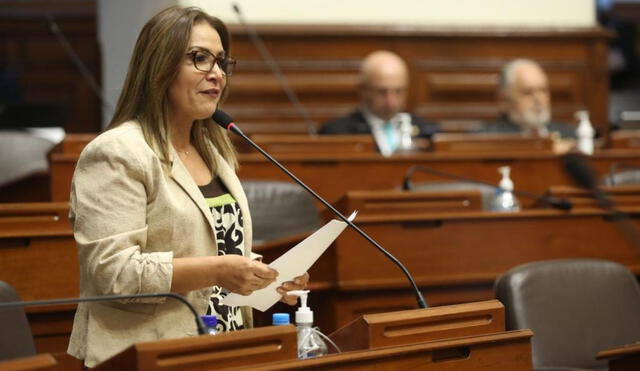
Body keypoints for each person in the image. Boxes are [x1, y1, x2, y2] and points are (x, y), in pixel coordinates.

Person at [67, 7, 308, 367]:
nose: (216, 75)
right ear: (159, 67)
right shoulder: (117, 152)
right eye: (199, 59)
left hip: (223, 348)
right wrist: (219, 270)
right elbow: (113, 274)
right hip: (147, 355)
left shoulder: (213, 151)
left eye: (222, 63)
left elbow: (210, 246)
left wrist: (269, 278)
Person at [318, 50, 438, 156]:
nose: (391, 102)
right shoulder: (337, 134)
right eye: (382, 92)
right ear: (363, 90)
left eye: (398, 91)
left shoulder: (428, 132)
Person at [479, 58, 576, 139]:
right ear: (505, 100)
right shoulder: (487, 139)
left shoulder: (570, 135)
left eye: (543, 90)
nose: (538, 99)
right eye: (527, 92)